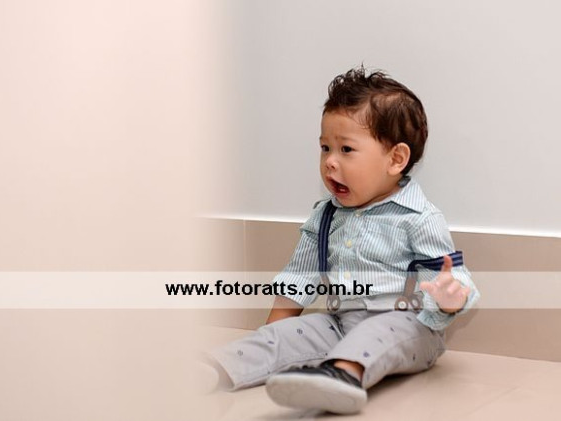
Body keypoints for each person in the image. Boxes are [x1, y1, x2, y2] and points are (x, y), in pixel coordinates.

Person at [201, 66, 480, 415]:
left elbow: (454, 278)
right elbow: (298, 277)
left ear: (396, 159)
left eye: (346, 149)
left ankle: (342, 377)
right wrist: (276, 336)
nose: (330, 162)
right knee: (287, 334)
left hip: (409, 326)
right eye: (325, 148)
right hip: (339, 322)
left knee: (381, 330)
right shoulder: (326, 215)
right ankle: (211, 368)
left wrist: (450, 297)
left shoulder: (419, 218)